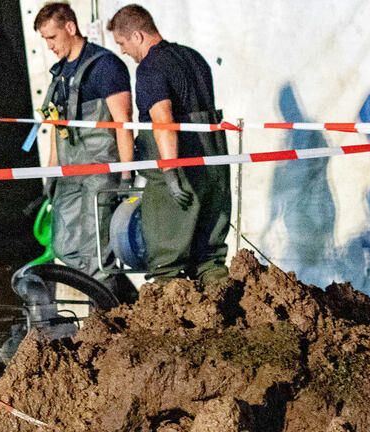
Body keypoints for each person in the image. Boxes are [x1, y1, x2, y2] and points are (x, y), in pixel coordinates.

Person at [107, 4, 231, 283]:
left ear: (137, 36)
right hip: (213, 164)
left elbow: (163, 120)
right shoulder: (194, 58)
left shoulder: (151, 68)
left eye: (123, 43)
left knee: (167, 267)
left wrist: (171, 173)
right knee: (210, 260)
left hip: (178, 168)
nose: (123, 52)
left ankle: (171, 317)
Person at [34, 2, 135, 294]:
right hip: (69, 174)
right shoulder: (60, 72)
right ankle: (124, 300)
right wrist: (51, 174)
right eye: (45, 40)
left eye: (52, 37)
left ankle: (105, 319)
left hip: (100, 173)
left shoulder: (105, 65)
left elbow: (123, 121)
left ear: (70, 27)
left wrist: (126, 177)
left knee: (97, 253)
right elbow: (56, 126)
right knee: (64, 247)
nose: (49, 46)